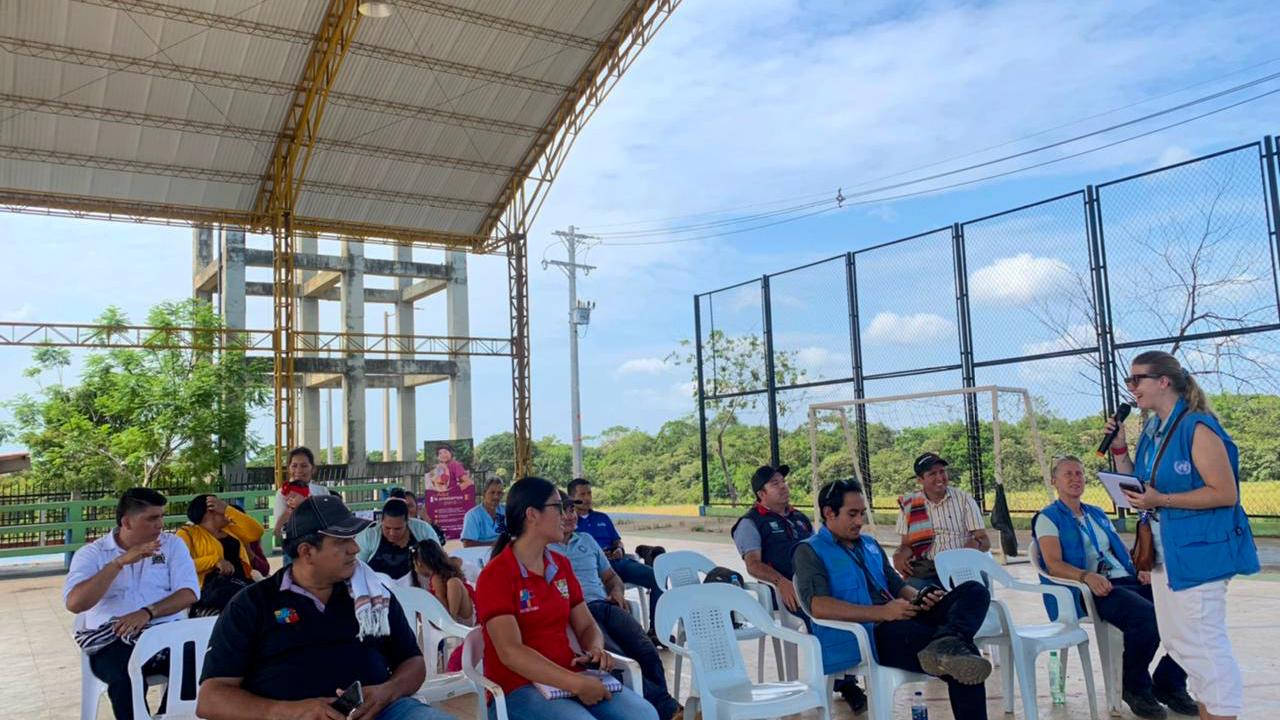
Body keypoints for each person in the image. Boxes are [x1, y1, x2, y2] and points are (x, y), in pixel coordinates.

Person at [196, 495, 456, 720]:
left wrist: (386, 692)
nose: (355, 548)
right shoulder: (253, 603)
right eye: (342, 542)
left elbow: (413, 662)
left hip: (381, 712)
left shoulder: (372, 595)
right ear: (307, 552)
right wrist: (291, 712)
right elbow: (211, 698)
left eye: (353, 538)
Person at [1110, 351, 1259, 720]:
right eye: (1129, 381)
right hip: (1165, 552)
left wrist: (1161, 500)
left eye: (1137, 379)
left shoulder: (1197, 427)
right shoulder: (1153, 430)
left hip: (1200, 554)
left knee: (1205, 645)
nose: (1131, 387)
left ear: (1163, 381)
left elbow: (1225, 493)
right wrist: (1119, 449)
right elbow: (1138, 485)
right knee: (1180, 643)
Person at [795, 479, 993, 720]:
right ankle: (948, 643)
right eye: (852, 514)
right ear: (829, 513)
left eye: (862, 514)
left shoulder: (869, 544)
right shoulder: (810, 551)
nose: (860, 521)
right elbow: (817, 606)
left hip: (903, 616)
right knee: (964, 657)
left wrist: (920, 597)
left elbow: (896, 585)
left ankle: (947, 640)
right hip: (874, 634)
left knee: (974, 590)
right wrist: (882, 613)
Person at [474, 476, 657, 720]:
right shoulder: (496, 575)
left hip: (570, 673)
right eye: (558, 507)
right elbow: (511, 652)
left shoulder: (560, 565)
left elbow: (587, 625)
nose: (567, 516)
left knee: (644, 714)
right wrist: (576, 684)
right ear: (532, 514)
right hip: (517, 688)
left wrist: (594, 649)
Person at [1033, 455, 1193, 718]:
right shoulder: (1048, 518)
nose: (1075, 479)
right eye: (1068, 474)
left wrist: (1140, 570)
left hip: (1123, 579)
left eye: (1079, 473)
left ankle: (1169, 681)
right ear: (1054, 481)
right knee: (1145, 616)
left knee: (1187, 609)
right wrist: (1086, 576)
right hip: (1091, 588)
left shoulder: (1096, 513)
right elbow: (1053, 564)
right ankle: (1134, 686)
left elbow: (1116, 552)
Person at [64, 488, 200, 720]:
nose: (160, 525)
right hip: (113, 639)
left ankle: (169, 716)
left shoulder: (172, 546)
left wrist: (148, 612)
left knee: (200, 662)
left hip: (166, 634)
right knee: (125, 676)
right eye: (152, 518)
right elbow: (75, 603)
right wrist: (118, 564)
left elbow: (189, 593)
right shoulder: (93, 554)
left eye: (161, 517)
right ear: (126, 522)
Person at [551, 491, 681, 720]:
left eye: (571, 510)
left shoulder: (586, 540)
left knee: (645, 649)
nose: (570, 516)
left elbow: (611, 577)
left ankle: (661, 709)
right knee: (620, 660)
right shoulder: (546, 550)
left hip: (605, 605)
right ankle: (669, 710)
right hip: (577, 614)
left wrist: (617, 591)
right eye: (563, 511)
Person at [568, 478, 663, 635]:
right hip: (594, 568)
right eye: (582, 494)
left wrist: (619, 549)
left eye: (589, 493)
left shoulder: (602, 518)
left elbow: (617, 540)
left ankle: (657, 631)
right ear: (572, 498)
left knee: (657, 577)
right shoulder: (569, 522)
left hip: (617, 562)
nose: (587, 498)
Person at [893, 452, 990, 588]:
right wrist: (899, 555)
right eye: (932, 474)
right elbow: (906, 545)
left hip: (962, 567)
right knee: (911, 593)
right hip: (928, 570)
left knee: (977, 589)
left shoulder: (964, 499)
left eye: (942, 472)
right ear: (920, 480)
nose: (940, 477)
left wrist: (976, 544)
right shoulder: (910, 504)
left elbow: (985, 540)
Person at [177, 494, 265, 614]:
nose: (224, 506)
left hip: (240, 583)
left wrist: (228, 510)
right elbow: (179, 567)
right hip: (210, 591)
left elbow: (256, 532)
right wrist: (214, 561)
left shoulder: (230, 530)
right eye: (220, 504)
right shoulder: (187, 533)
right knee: (249, 605)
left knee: (274, 599)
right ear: (210, 510)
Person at [357, 498, 441, 586]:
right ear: (381, 521)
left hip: (417, 589)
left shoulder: (423, 530)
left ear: (407, 521)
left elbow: (439, 562)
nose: (392, 533)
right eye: (387, 528)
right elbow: (357, 569)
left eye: (398, 529)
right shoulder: (368, 535)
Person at [272, 446, 330, 563]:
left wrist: (306, 503)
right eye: (294, 465)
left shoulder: (322, 491)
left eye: (304, 466)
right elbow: (278, 529)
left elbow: (329, 520)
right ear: (289, 468)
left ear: (313, 468)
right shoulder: (282, 493)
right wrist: (290, 510)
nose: (298, 470)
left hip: (320, 546)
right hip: (295, 548)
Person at [461, 477, 506, 547]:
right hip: (481, 553)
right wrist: (496, 545)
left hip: (504, 551)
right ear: (484, 493)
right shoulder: (473, 515)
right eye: (492, 493)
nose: (496, 497)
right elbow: (467, 544)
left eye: (499, 493)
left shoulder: (505, 511)